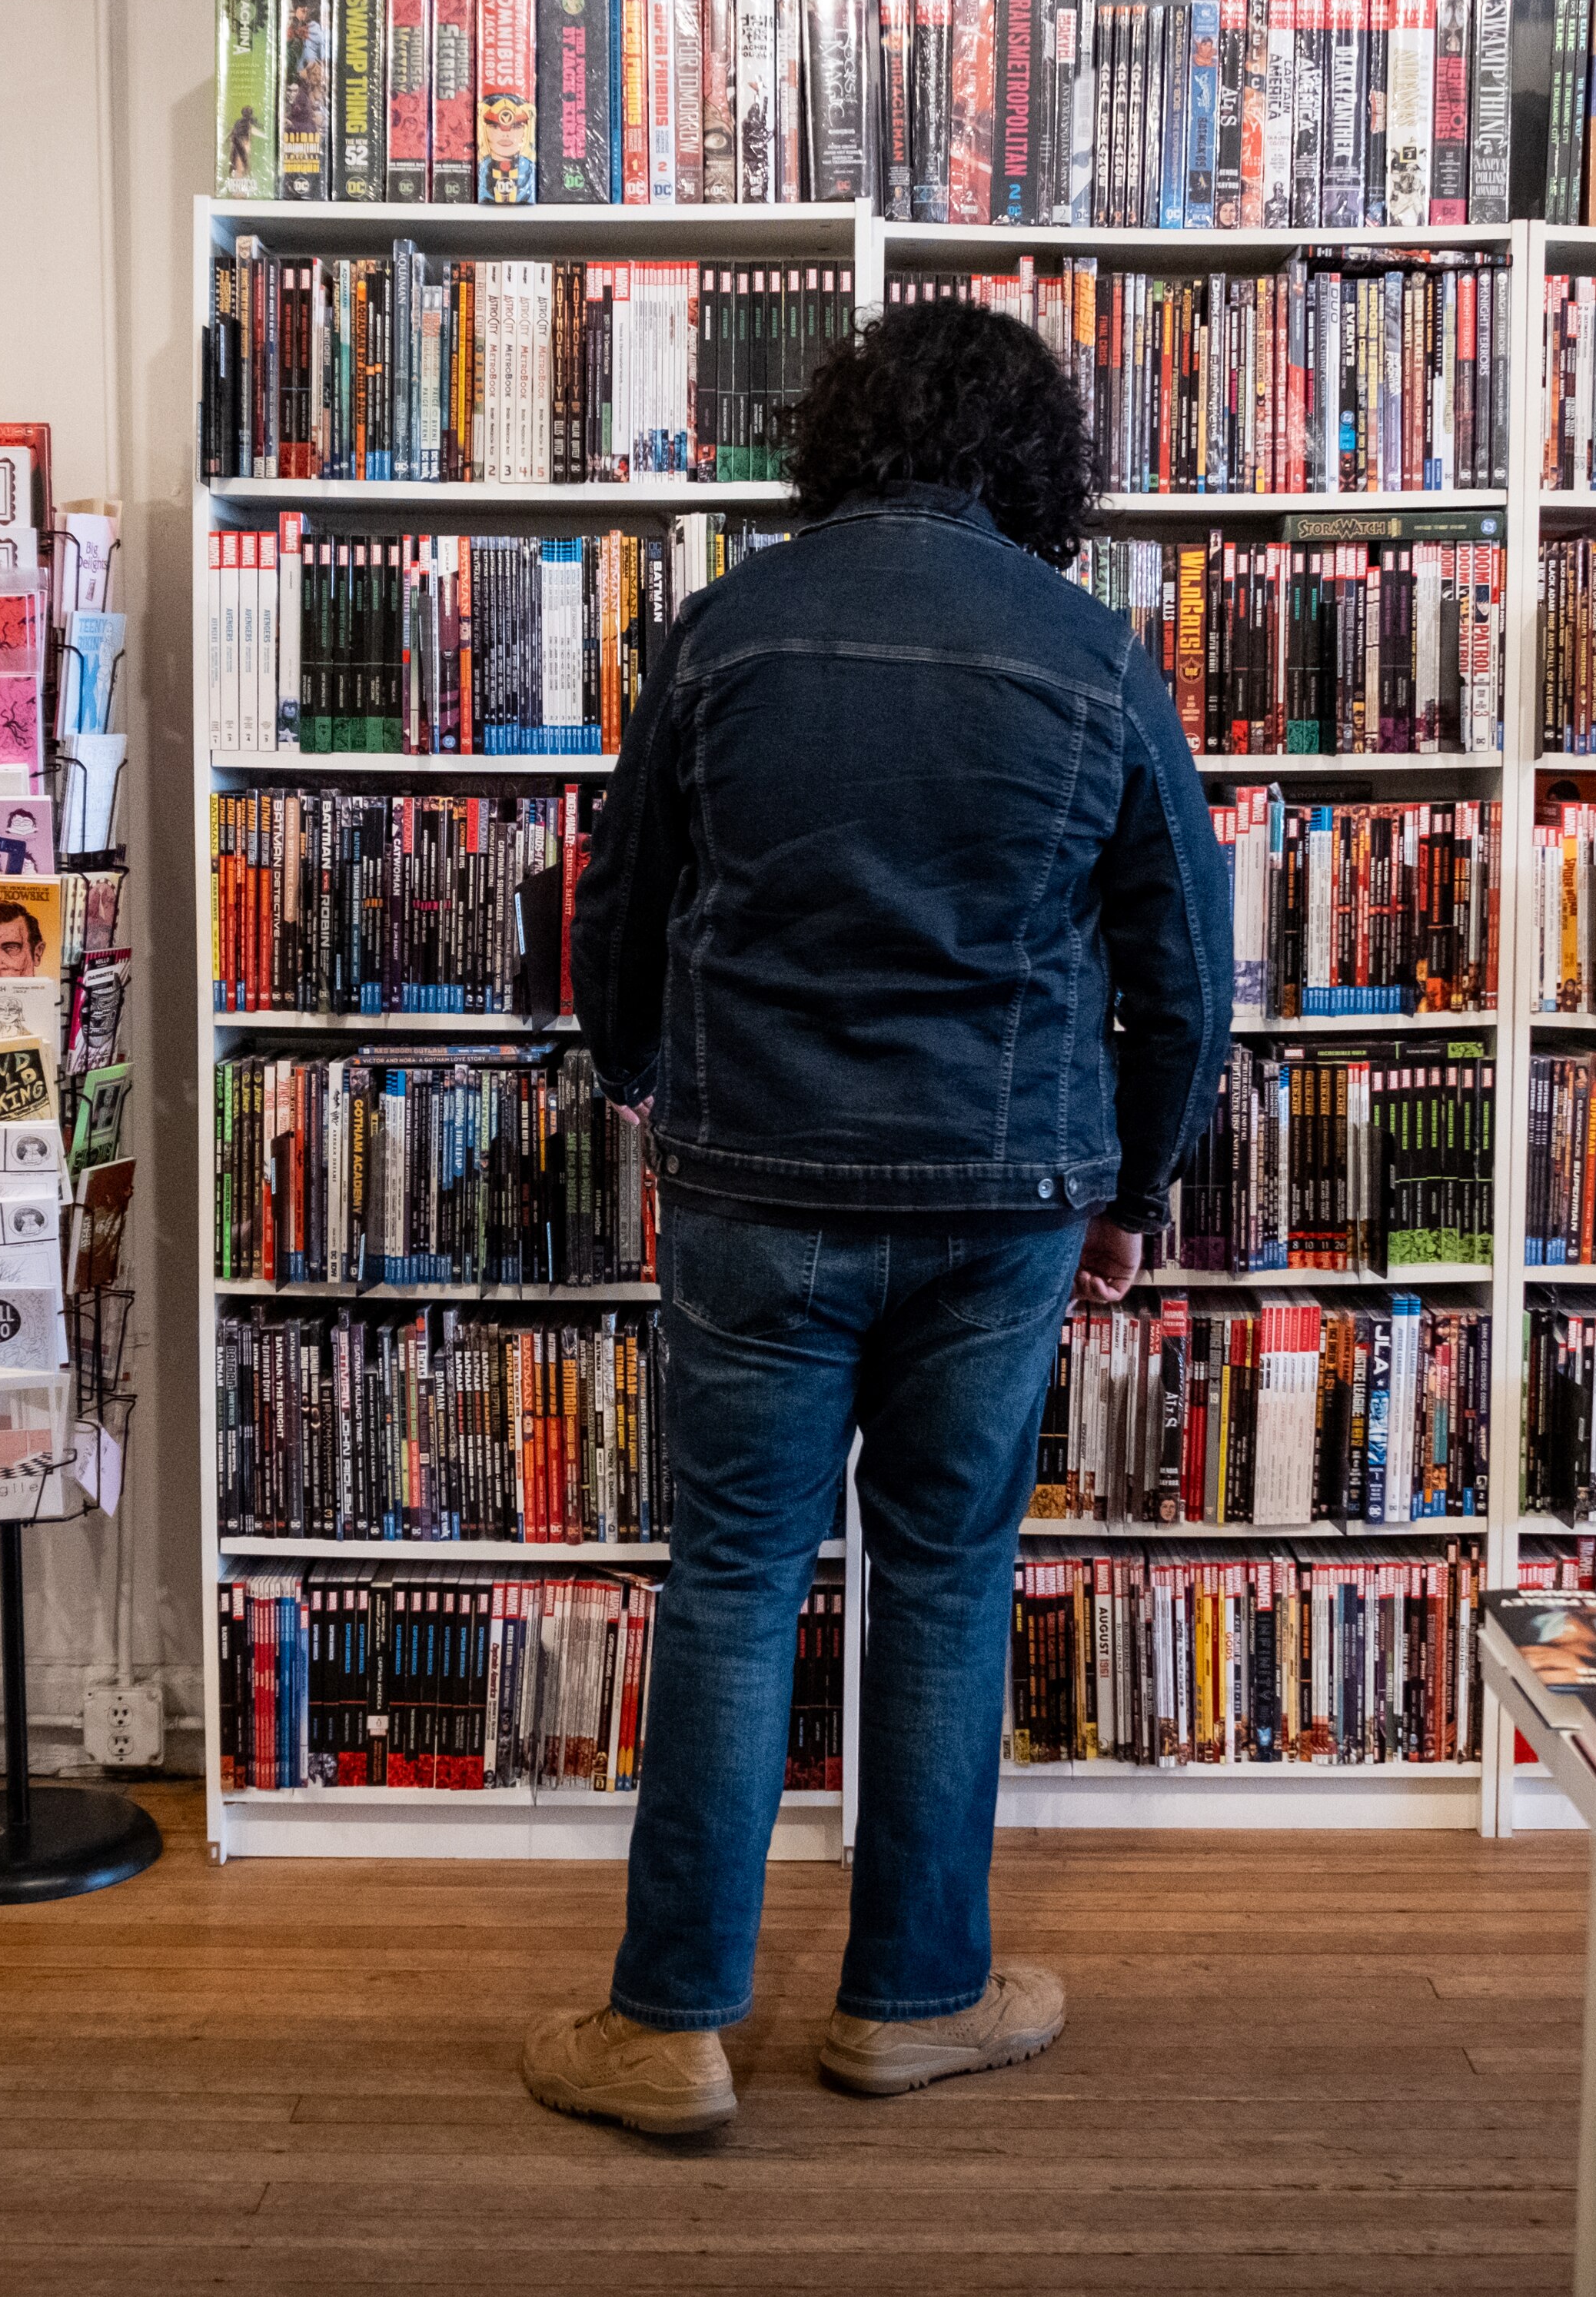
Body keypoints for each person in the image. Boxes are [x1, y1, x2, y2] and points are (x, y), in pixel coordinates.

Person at [521, 300, 1233, 2136]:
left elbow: (619, 901)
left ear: (839, 437)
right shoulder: (1094, 652)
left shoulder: (725, 630)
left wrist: (635, 1072)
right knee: (943, 1578)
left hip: (757, 1182)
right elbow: (1182, 969)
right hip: (1004, 1198)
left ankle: (670, 2020)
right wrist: (1132, 1187)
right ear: (1034, 466)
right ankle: (912, 1996)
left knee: (733, 1582)